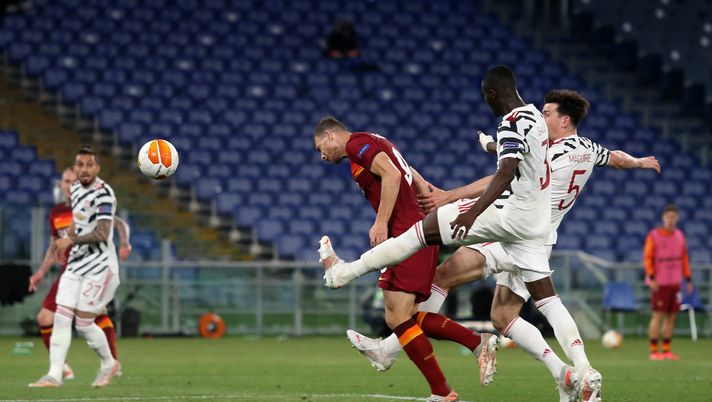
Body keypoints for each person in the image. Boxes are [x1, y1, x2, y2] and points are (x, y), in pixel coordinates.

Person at [346, 89, 661, 402]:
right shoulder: (589, 149)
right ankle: (566, 373)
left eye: (548, 113)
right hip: (540, 241)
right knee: (505, 315)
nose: (542, 116)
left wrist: (450, 195)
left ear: (564, 120)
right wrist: (640, 162)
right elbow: (616, 158)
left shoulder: (548, 152)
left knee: (443, 277)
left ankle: (388, 346)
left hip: (510, 230)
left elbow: (506, 173)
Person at [314, 116, 498, 401]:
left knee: (397, 315)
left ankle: (444, 387)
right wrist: (424, 186)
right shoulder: (371, 142)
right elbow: (403, 166)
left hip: (408, 235)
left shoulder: (357, 144)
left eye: (319, 148)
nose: (322, 156)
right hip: (415, 231)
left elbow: (393, 174)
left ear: (329, 135)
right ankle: (472, 345)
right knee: (403, 315)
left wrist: (381, 222)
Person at [29, 145, 122, 388]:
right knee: (60, 317)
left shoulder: (104, 193)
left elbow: (102, 233)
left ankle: (108, 363)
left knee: (83, 323)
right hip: (75, 264)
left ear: (97, 168)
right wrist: (61, 244)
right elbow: (76, 225)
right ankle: (54, 374)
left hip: (99, 266)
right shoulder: (77, 191)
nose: (83, 169)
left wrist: (70, 239)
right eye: (79, 164)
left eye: (88, 164)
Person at [644, 203, 693, 360]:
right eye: (668, 217)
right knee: (658, 315)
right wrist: (651, 277)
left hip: (675, 282)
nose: (671, 220)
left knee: (672, 317)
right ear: (663, 218)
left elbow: (684, 258)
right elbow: (647, 257)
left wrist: (688, 278)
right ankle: (653, 351)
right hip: (660, 282)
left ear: (677, 218)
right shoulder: (654, 235)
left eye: (673, 217)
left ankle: (666, 350)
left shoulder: (680, 235)